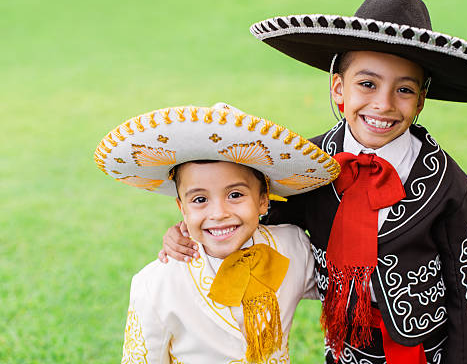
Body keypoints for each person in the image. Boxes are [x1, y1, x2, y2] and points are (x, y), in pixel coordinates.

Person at [160, 0, 467, 363]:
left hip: (420, 350)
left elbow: (465, 291)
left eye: (403, 90)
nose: (383, 105)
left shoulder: (448, 185)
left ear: (420, 100)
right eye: (367, 84)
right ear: (339, 88)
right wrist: (187, 232)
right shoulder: (304, 163)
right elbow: (251, 217)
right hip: (345, 347)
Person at [94, 104, 340, 363]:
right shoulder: (156, 284)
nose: (219, 212)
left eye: (235, 195)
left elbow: (340, 286)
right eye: (199, 199)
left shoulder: (293, 246)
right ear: (182, 209)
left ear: (263, 201)